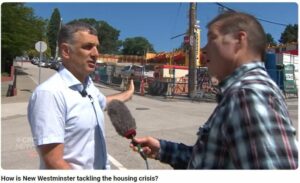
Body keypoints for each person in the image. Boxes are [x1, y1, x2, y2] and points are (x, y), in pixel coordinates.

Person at [131, 12, 298, 169]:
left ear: (239, 41)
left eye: (212, 38)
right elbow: (214, 161)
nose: (204, 49)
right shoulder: (241, 93)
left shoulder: (247, 95)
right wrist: (164, 149)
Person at [28, 22, 134, 169]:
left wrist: (128, 93)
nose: (96, 53)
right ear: (66, 51)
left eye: (97, 47)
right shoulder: (50, 94)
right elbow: (54, 163)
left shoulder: (88, 86)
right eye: (87, 47)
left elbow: (104, 102)